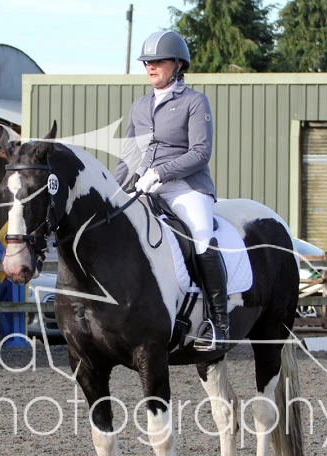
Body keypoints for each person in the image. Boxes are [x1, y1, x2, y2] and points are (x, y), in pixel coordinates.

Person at [114, 30, 228, 352]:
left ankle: (219, 323)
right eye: (147, 62)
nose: (150, 67)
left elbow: (200, 152)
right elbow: (129, 157)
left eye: (158, 61)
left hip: (186, 186)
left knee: (201, 238)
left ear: (177, 65)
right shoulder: (139, 106)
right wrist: (113, 193)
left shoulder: (194, 101)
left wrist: (160, 172)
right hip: (144, 187)